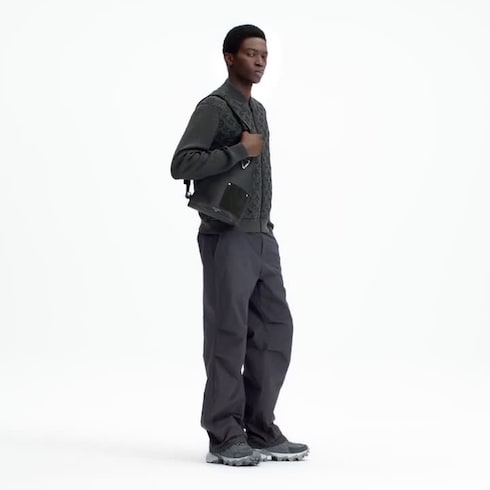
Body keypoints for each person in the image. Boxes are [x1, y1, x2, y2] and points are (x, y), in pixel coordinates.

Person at [171, 24, 309, 466]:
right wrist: (238, 151)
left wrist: (265, 227)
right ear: (230, 57)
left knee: (275, 331)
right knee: (227, 334)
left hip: (262, 235)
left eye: (264, 54)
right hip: (226, 235)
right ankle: (224, 435)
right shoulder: (214, 106)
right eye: (251, 53)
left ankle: (260, 428)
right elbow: (181, 164)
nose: (260, 61)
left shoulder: (259, 110)